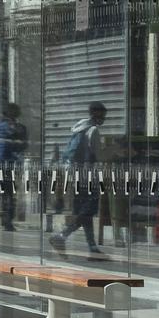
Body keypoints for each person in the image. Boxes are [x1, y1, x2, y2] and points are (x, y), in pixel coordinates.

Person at [49, 101, 107, 259]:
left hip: (75, 176)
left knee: (83, 212)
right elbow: (97, 156)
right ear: (96, 114)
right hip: (88, 177)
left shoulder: (79, 128)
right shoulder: (93, 130)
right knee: (88, 211)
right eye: (103, 114)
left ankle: (92, 248)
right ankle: (61, 236)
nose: (104, 118)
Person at [0, 102, 27, 231]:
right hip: (10, 164)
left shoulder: (0, 127)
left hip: (2, 164)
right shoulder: (16, 127)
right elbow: (22, 145)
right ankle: (6, 223)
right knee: (9, 195)